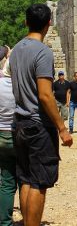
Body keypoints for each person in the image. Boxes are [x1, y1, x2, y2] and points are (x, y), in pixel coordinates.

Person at [9, 3, 72, 226]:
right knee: (39, 183)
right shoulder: (42, 52)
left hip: (19, 122)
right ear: (49, 23)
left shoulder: (16, 49)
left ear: (26, 22)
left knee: (25, 179)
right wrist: (62, 128)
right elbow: (45, 95)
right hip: (38, 125)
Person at [0, 59, 17, 226]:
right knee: (26, 180)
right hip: (18, 134)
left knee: (6, 181)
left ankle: (4, 222)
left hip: (0, 133)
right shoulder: (21, 85)